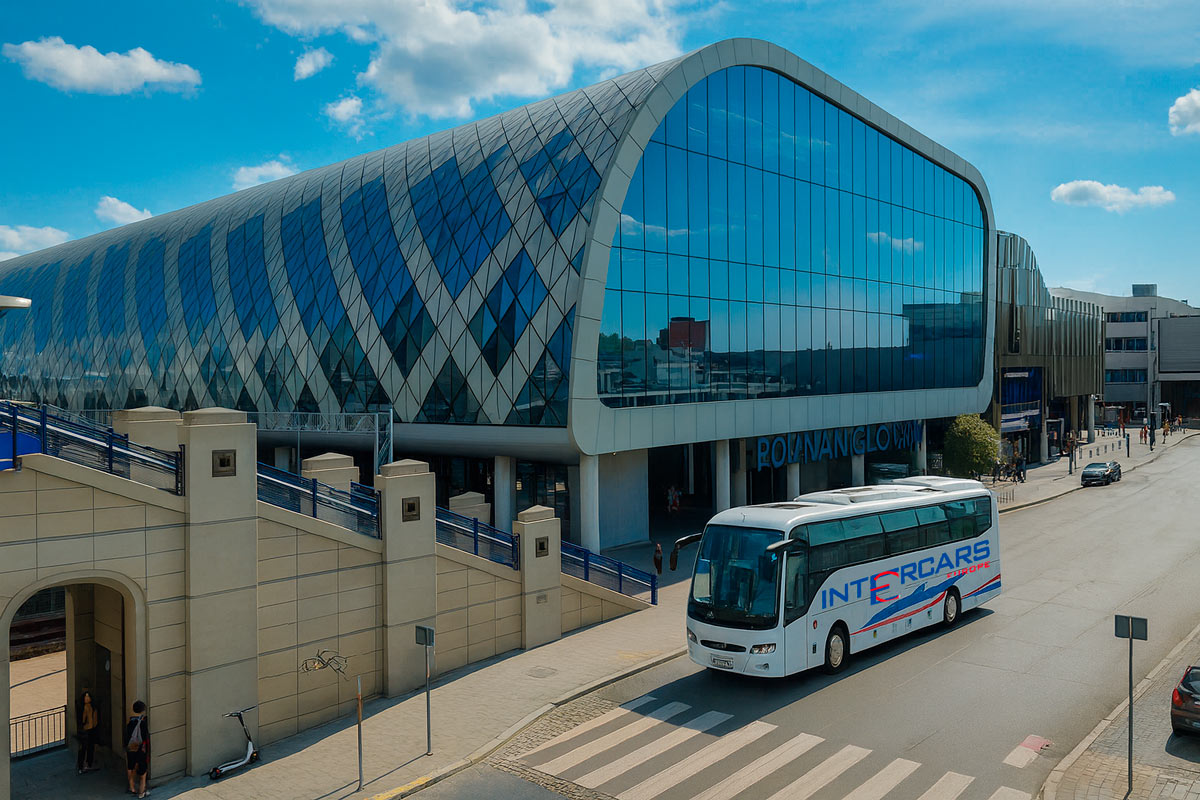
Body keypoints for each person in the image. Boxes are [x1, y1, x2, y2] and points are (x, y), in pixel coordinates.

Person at [125, 700, 150, 798]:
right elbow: (144, 737)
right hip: (140, 749)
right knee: (143, 771)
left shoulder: (130, 722)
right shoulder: (143, 722)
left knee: (130, 767)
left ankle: (132, 788)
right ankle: (141, 791)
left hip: (131, 748)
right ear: (143, 710)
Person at [76, 689, 99, 774]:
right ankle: (82, 766)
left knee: (90, 747)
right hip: (85, 730)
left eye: (88, 697)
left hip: (92, 729)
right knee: (84, 748)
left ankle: (89, 764)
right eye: (86, 697)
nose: (87, 698)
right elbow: (82, 719)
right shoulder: (83, 707)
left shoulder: (92, 706)